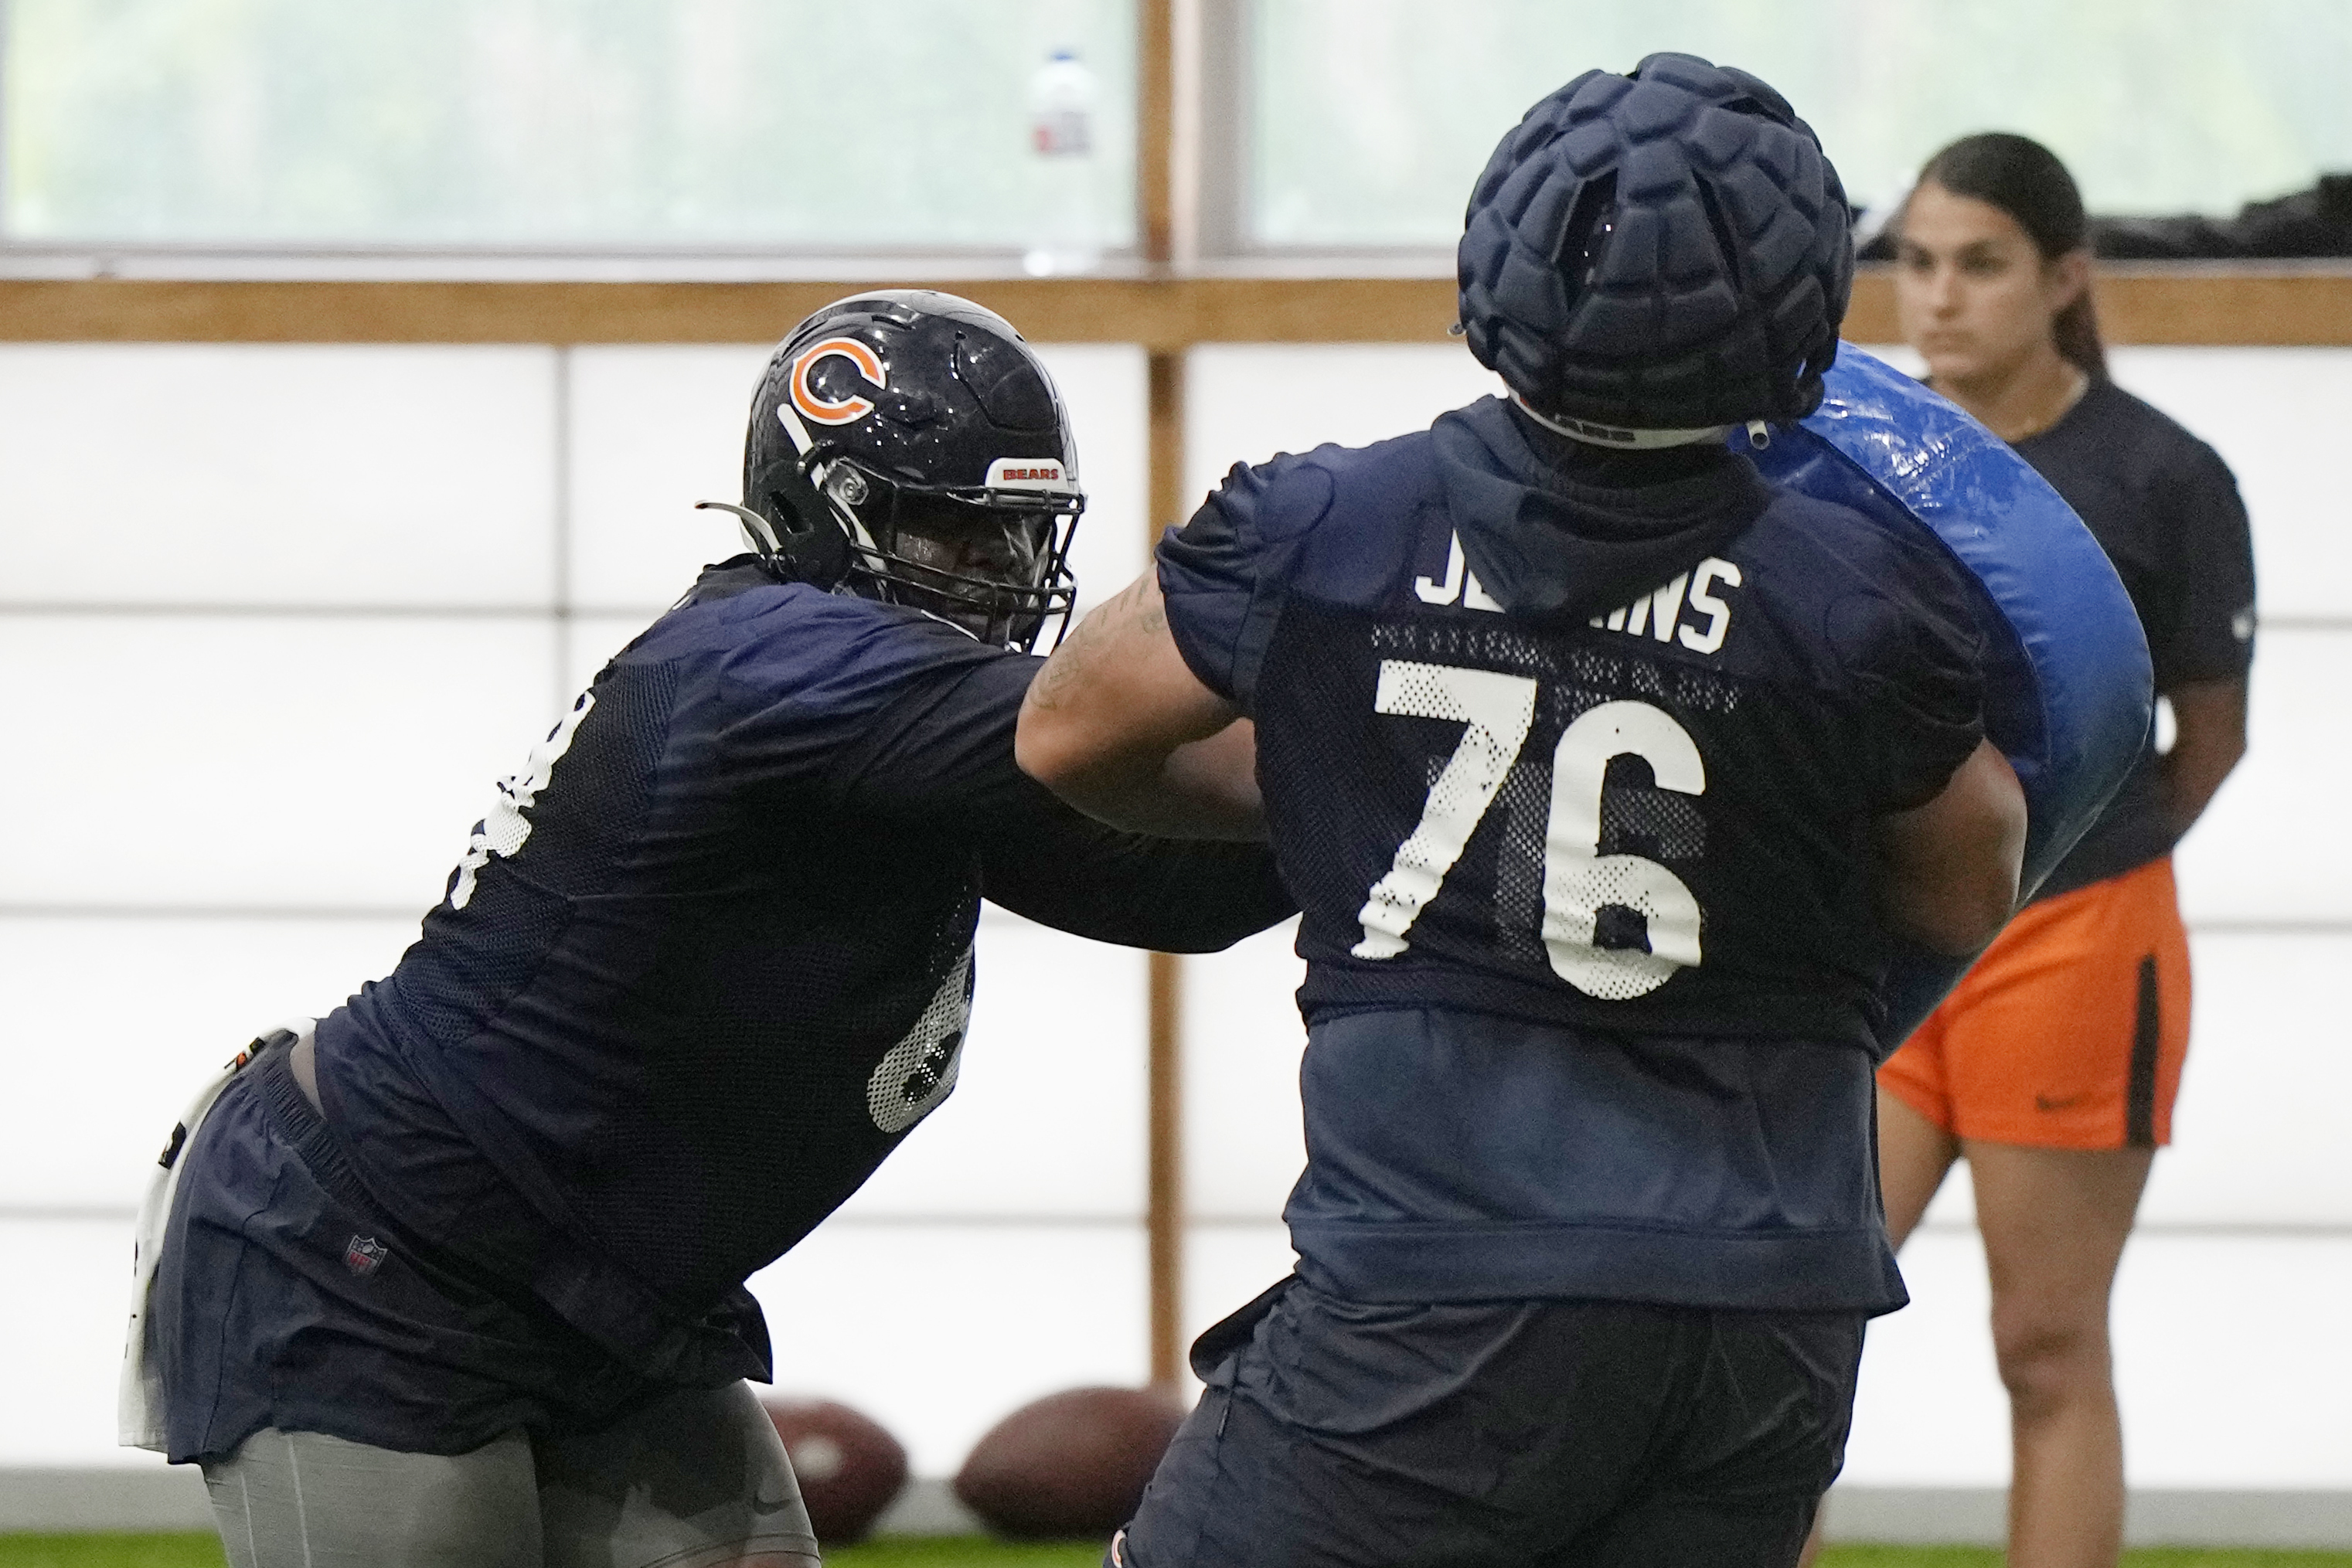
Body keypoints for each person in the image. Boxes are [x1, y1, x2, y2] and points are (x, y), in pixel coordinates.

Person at [1017, 56, 2042, 1568]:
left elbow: (1064, 732)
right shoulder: (1865, 598)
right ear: (1804, 304)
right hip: (1767, 1318)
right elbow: (1968, 887)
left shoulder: (1329, 524)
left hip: (1436, 1289)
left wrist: (1348, 796)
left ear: (1499, 259)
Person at [127, 290, 1292, 1568]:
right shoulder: (770, 660)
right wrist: (1399, 703)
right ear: (815, 503)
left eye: (1014, 537)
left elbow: (1175, 881)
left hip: (607, 1293)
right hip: (381, 1263)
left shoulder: (882, 725)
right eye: (945, 531)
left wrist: (1431, 825)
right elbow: (1142, 755)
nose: (994, 576)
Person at [1826, 134, 2254, 1568]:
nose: (1940, 299)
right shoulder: (1865, 454)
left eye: (1982, 265)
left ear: (2064, 278)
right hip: (1880, 947)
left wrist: (2065, 866)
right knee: (1786, 1309)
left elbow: (2208, 739)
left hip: (2077, 937)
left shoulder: (2163, 475)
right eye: (1919, 264)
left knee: (2046, 1344)